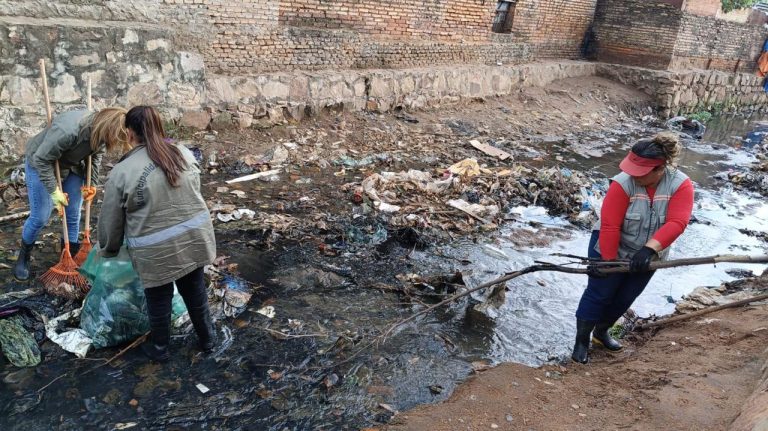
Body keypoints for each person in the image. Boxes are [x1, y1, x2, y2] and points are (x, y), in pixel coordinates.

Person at [98, 106, 217, 362]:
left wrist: (108, 249)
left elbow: (111, 220)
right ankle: (208, 340)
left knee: (158, 299)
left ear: (129, 133)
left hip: (156, 252)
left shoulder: (122, 171)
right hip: (195, 239)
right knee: (195, 291)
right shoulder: (183, 153)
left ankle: (160, 348)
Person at [572, 132, 694, 364]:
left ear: (660, 169)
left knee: (626, 295)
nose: (633, 176)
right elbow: (609, 225)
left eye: (640, 173)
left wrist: (649, 250)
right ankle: (581, 341)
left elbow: (677, 222)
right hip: (610, 244)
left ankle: (601, 333)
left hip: (650, 252)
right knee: (600, 293)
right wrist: (606, 262)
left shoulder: (680, 185)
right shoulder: (622, 183)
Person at [14, 107, 129, 281]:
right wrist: (54, 191)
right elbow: (41, 159)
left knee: (73, 213)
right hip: (42, 163)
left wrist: (92, 185)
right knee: (40, 216)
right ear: (109, 129)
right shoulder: (68, 131)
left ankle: (69, 256)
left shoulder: (102, 132)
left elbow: (95, 157)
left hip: (71, 165)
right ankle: (23, 257)